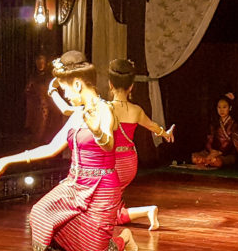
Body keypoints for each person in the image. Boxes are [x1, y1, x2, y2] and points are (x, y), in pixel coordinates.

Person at [0, 51, 136, 251]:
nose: (66, 94)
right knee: (40, 213)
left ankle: (123, 237)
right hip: (75, 184)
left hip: (102, 189)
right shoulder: (77, 114)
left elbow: (109, 142)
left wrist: (97, 133)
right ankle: (74, 250)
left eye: (66, 90)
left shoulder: (105, 110)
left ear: (77, 84)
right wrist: (9, 160)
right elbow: (51, 148)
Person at [49, 59, 174, 230]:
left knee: (102, 211)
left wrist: (52, 91)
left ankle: (142, 215)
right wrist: (165, 133)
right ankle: (147, 211)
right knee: (108, 209)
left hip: (112, 164)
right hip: (130, 163)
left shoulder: (104, 107)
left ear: (110, 85)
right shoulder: (136, 110)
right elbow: (153, 127)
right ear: (131, 87)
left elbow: (67, 110)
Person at [192, 93, 238, 168]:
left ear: (230, 108)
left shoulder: (234, 125)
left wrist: (219, 152)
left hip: (226, 153)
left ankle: (208, 161)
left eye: (224, 107)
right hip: (213, 151)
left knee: (217, 161)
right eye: (219, 107)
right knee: (194, 157)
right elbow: (209, 139)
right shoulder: (215, 122)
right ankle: (207, 160)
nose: (221, 110)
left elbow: (232, 143)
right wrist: (211, 150)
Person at [25, 54, 63, 145]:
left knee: (51, 128)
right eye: (38, 63)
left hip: (52, 106)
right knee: (38, 128)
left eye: (42, 63)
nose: (40, 65)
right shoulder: (34, 77)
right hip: (39, 107)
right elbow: (28, 91)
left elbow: (58, 90)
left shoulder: (51, 77)